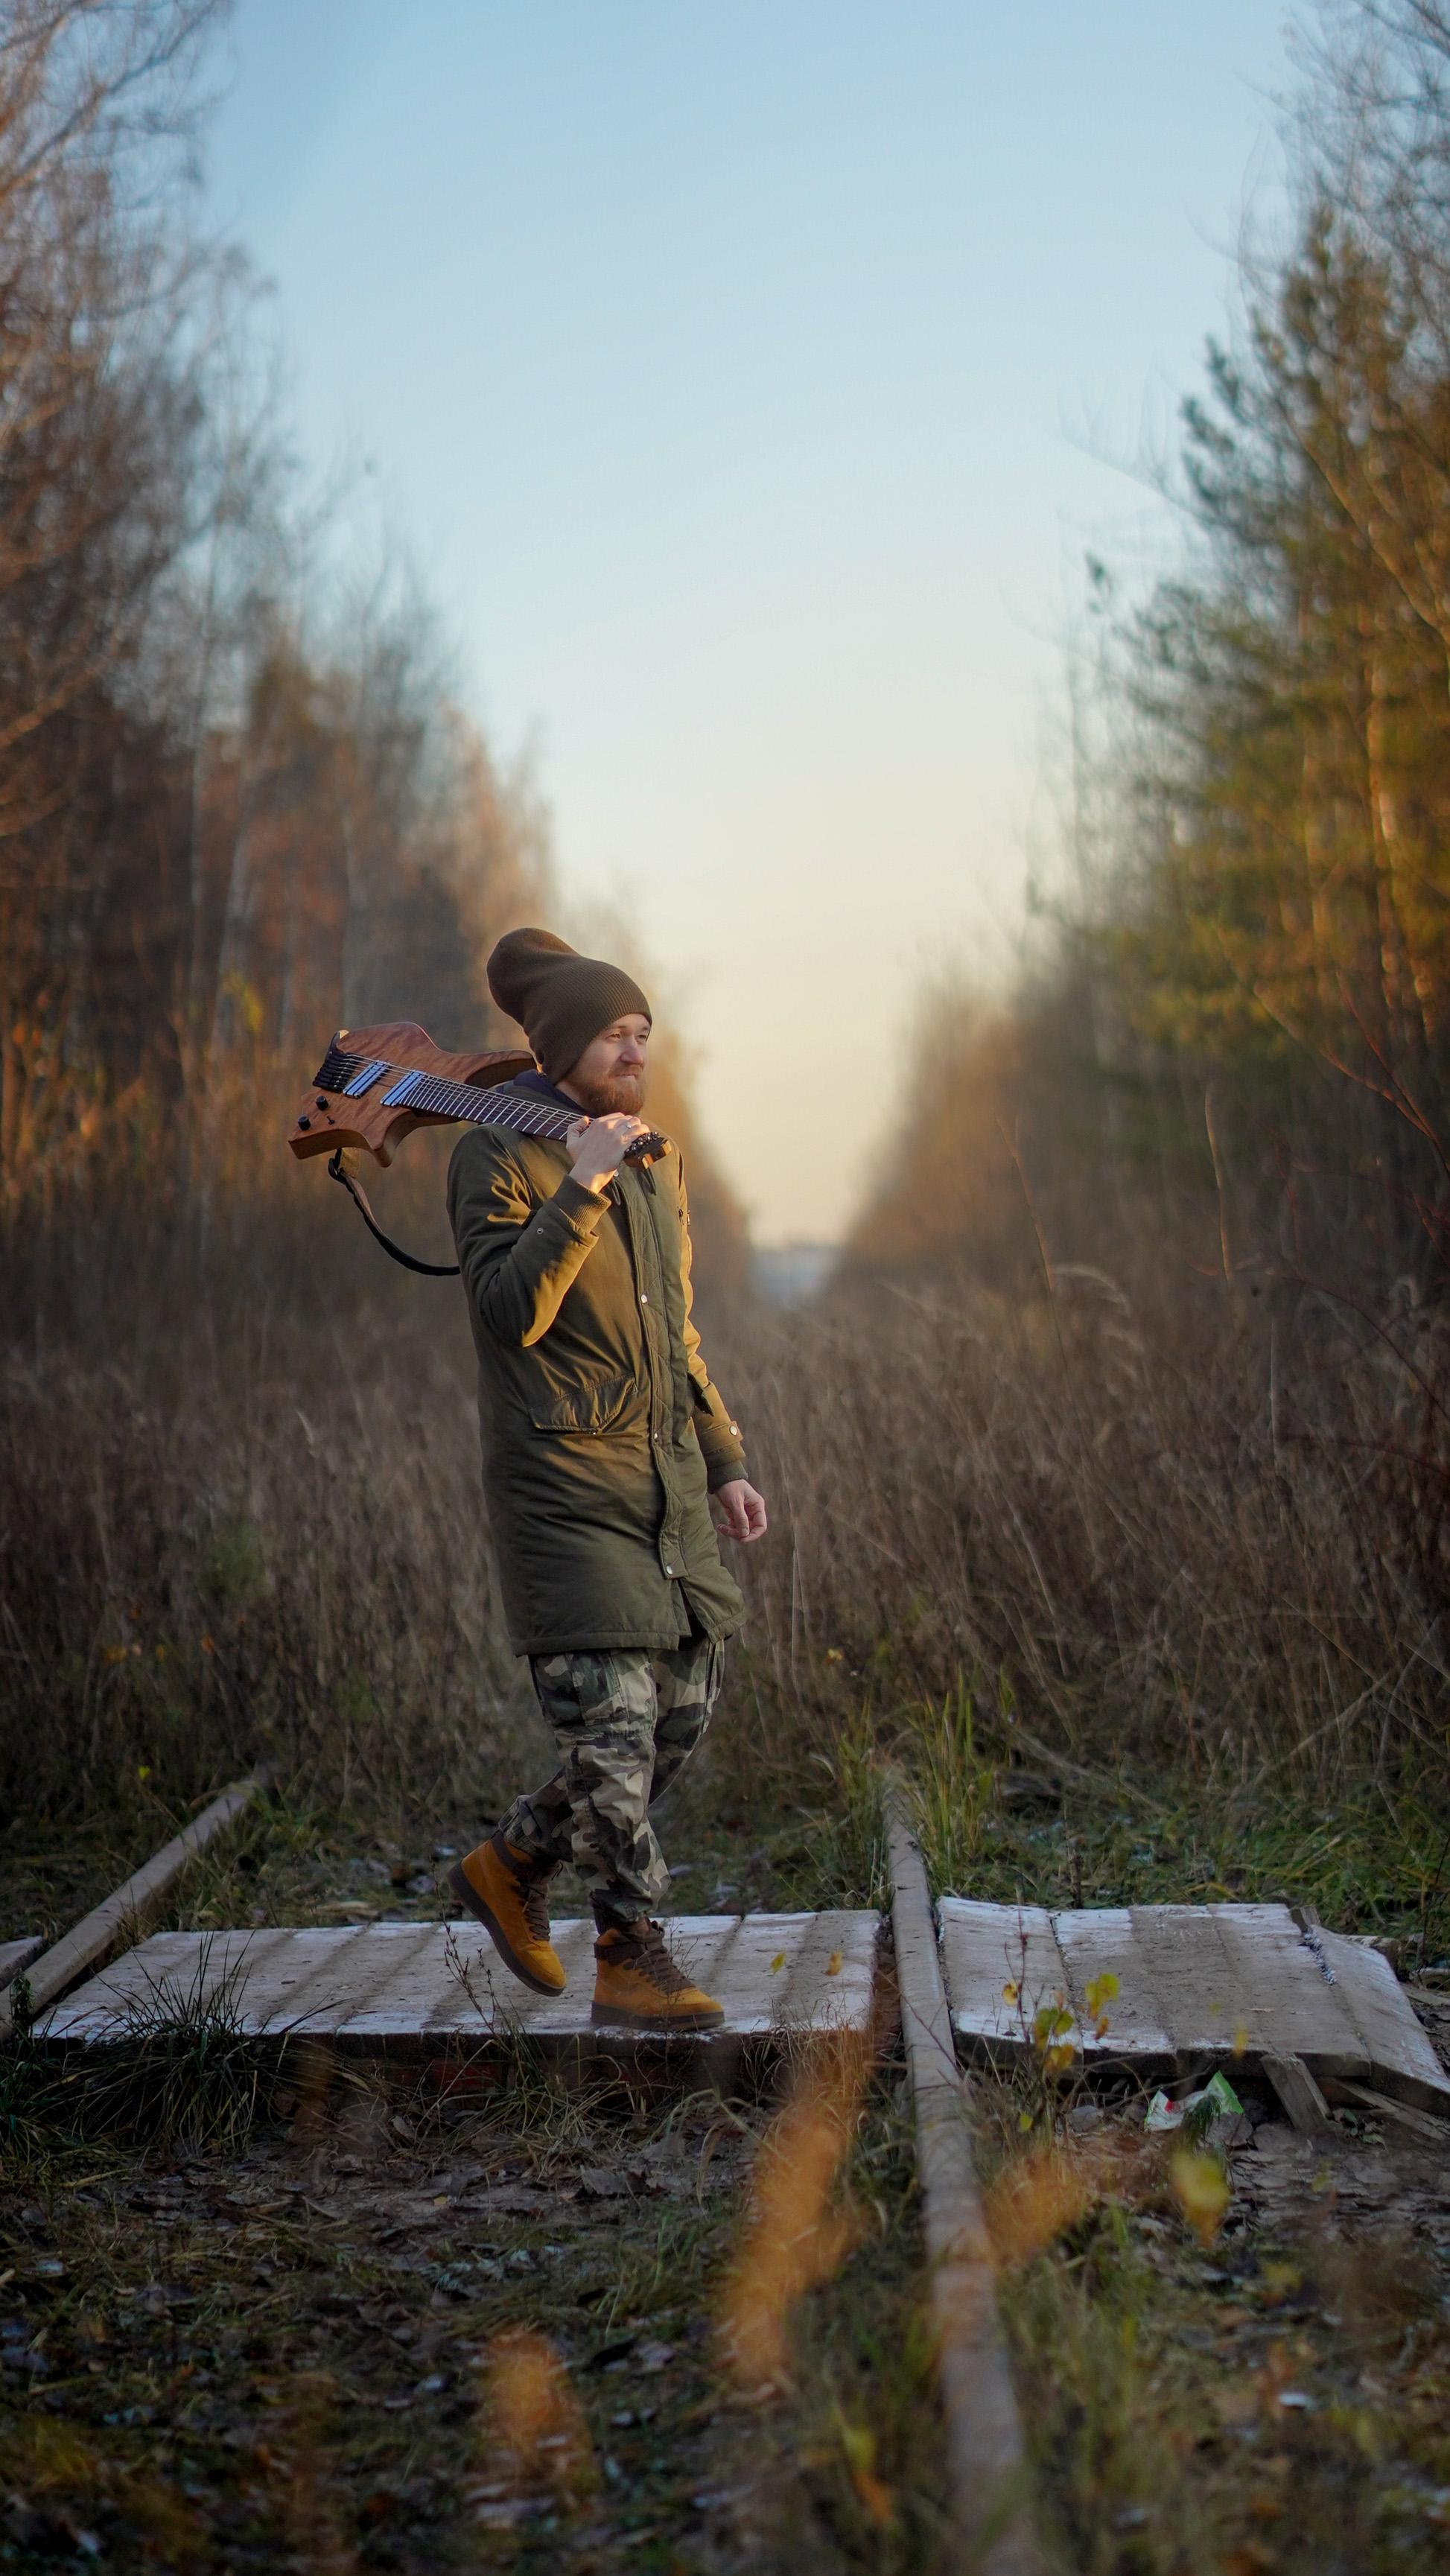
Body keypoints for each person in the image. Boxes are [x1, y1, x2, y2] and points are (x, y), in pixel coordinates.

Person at [445, 927, 768, 2029]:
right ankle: (632, 1955)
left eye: (644, 1033)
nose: (636, 1052)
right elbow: (509, 1314)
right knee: (614, 1731)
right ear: (561, 1045)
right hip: (562, 1488)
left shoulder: (656, 1157)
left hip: (662, 1487)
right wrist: (578, 1188)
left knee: (680, 1716)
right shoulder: (497, 1153)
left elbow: (675, 1335)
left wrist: (723, 1460)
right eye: (614, 1035)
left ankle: (510, 1866)